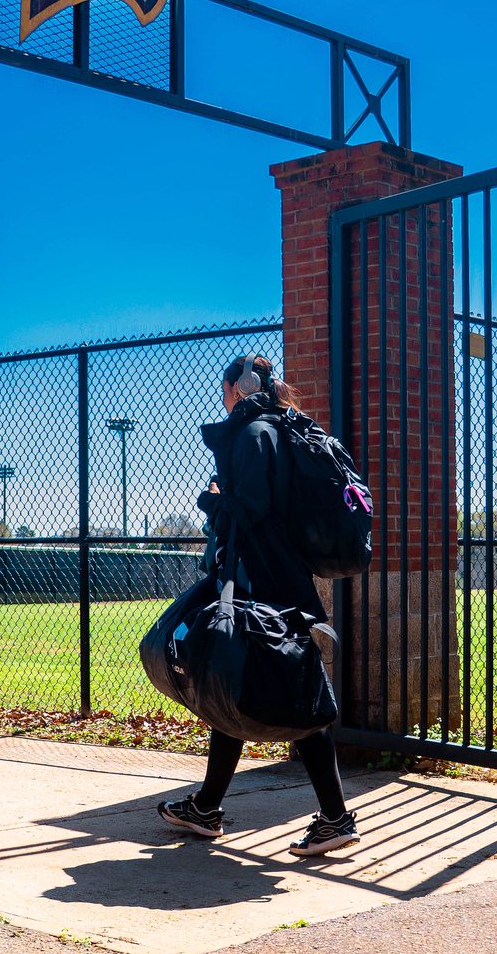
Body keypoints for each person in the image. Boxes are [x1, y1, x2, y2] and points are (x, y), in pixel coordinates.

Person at [157, 354, 360, 856]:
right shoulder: (286, 429)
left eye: (224, 388)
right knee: (240, 679)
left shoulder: (251, 435)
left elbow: (251, 508)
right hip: (284, 575)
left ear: (235, 388)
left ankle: (334, 819)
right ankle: (207, 807)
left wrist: (212, 500)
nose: (222, 398)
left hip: (260, 579)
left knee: (286, 690)